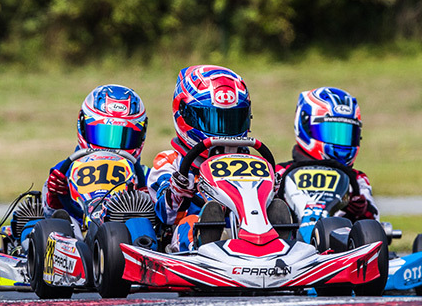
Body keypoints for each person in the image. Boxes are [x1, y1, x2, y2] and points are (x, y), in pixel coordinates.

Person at [147, 65, 252, 252]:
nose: (224, 132)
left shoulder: (249, 162)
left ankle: (278, 244)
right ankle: (205, 242)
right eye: (213, 120)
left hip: (246, 229)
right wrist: (176, 190)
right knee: (192, 222)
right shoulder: (170, 162)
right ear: (184, 115)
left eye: (232, 120)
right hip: (183, 238)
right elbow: (165, 216)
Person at [43, 84, 149, 224]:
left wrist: (148, 199)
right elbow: (48, 216)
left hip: (129, 237)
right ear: (82, 126)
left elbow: (163, 223)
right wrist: (56, 198)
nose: (110, 149)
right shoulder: (64, 170)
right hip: (77, 236)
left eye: (123, 138)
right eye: (102, 134)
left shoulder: (147, 176)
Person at [277, 86, 379, 222]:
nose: (339, 141)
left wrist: (361, 209)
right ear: (306, 127)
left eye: (346, 135)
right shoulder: (280, 174)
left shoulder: (357, 180)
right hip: (289, 241)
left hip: (338, 240)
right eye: (332, 132)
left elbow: (373, 223)